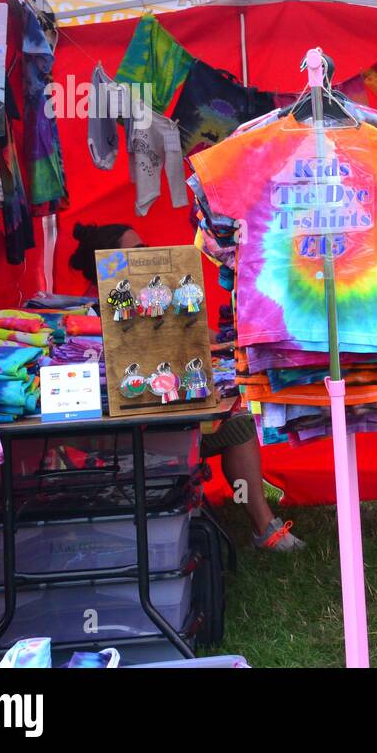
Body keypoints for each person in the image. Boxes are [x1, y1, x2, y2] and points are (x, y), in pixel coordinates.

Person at [70, 222, 306, 551]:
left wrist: (229, 338)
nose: (145, 256)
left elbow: (200, 336)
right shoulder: (85, 318)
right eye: (135, 252)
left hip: (168, 418)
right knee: (232, 427)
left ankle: (264, 528)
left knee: (239, 426)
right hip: (123, 431)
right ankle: (248, 527)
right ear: (110, 260)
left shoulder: (152, 297)